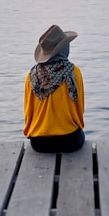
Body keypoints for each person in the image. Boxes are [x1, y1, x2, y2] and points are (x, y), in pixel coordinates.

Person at [23, 24, 85, 153]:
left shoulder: (31, 76)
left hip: (39, 143)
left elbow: (28, 111)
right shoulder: (74, 72)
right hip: (70, 140)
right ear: (64, 49)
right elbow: (80, 107)